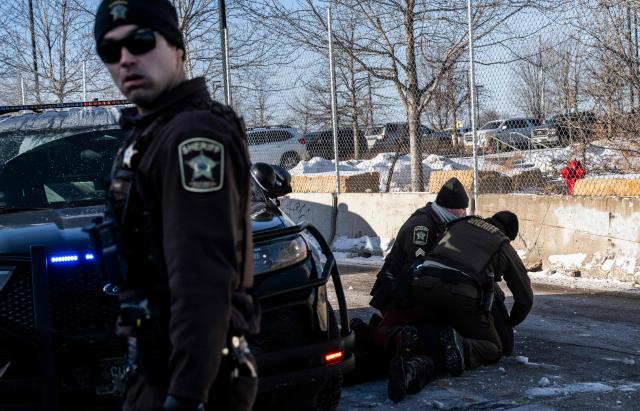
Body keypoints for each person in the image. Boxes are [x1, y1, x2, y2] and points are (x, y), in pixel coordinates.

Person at [92, 1, 258, 410]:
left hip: (191, 377)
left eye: (141, 41)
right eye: (110, 51)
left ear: (178, 48)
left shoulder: (191, 136)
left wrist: (184, 396)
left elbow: (202, 280)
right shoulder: (154, 131)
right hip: (162, 365)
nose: (126, 59)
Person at [388, 211, 533, 402]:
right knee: (494, 347)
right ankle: (463, 348)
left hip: (422, 287)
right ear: (509, 234)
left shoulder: (459, 224)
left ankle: (411, 340)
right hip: (460, 294)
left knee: (436, 325)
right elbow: (524, 298)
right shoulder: (501, 244)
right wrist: (509, 323)